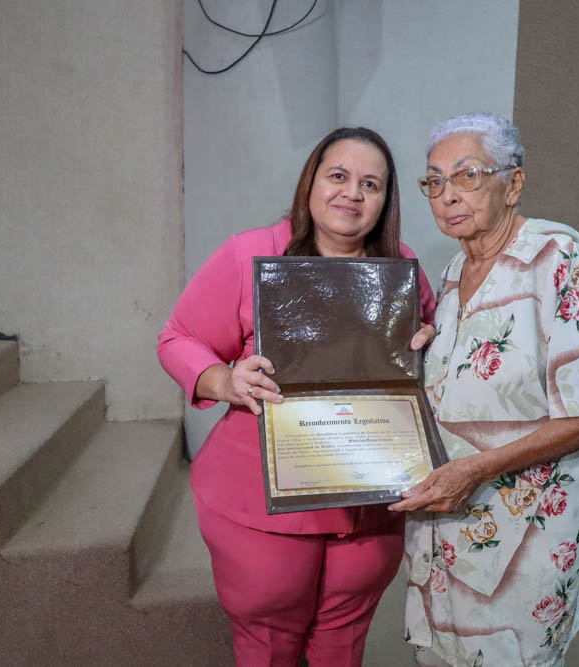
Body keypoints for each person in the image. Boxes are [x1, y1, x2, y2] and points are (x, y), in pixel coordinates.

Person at [157, 127, 437, 666]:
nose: (352, 193)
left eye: (370, 184)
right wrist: (225, 381)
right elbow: (178, 339)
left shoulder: (400, 266)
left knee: (344, 639)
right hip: (262, 498)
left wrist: (431, 340)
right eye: (338, 176)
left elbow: (433, 341)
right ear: (311, 182)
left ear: (386, 199)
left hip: (369, 497)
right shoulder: (249, 254)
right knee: (269, 642)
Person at [389, 113, 579, 667]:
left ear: (513, 183)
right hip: (449, 520)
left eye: (468, 175)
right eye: (434, 181)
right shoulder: (454, 272)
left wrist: (474, 471)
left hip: (525, 531)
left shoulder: (556, 255)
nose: (448, 195)